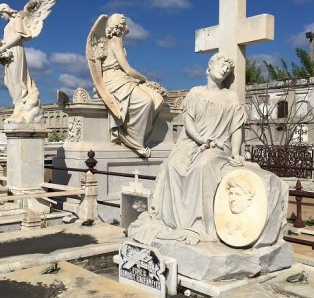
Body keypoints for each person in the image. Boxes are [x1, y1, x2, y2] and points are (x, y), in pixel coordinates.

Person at [129, 52, 245, 245]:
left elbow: (236, 128)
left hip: (218, 144)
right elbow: (188, 122)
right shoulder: (195, 93)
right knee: (173, 164)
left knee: (203, 165)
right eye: (221, 64)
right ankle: (173, 221)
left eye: (228, 68)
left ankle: (200, 223)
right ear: (209, 68)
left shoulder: (231, 97)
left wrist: (235, 153)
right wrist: (201, 140)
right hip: (192, 141)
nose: (224, 69)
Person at [101, 14, 164, 157]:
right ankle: (133, 140)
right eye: (125, 23)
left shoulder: (115, 41)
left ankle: (138, 134)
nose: (127, 26)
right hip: (115, 79)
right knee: (146, 101)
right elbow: (127, 69)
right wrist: (144, 78)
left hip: (122, 78)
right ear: (120, 25)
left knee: (157, 98)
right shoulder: (115, 40)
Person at [0, 3, 42, 123]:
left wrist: (3, 48)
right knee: (9, 81)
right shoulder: (8, 24)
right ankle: (17, 106)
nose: (1, 17)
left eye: (1, 14)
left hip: (15, 51)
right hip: (8, 53)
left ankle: (21, 107)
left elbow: (19, 36)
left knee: (17, 79)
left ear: (5, 10)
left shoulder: (17, 18)